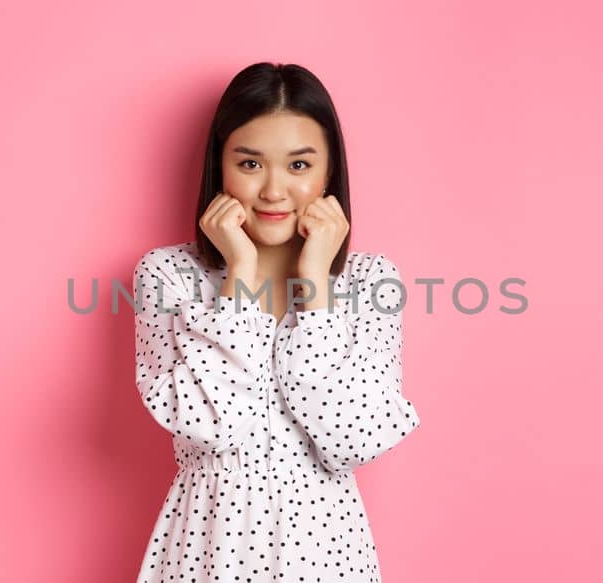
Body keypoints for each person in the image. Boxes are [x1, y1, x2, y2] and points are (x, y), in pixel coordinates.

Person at [131, 62, 423, 582]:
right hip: (209, 547)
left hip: (328, 553)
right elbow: (208, 424)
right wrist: (239, 276)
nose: (272, 191)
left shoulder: (370, 281)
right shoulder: (168, 275)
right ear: (219, 167)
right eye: (249, 164)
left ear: (329, 171)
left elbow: (353, 438)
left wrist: (315, 285)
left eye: (298, 165)